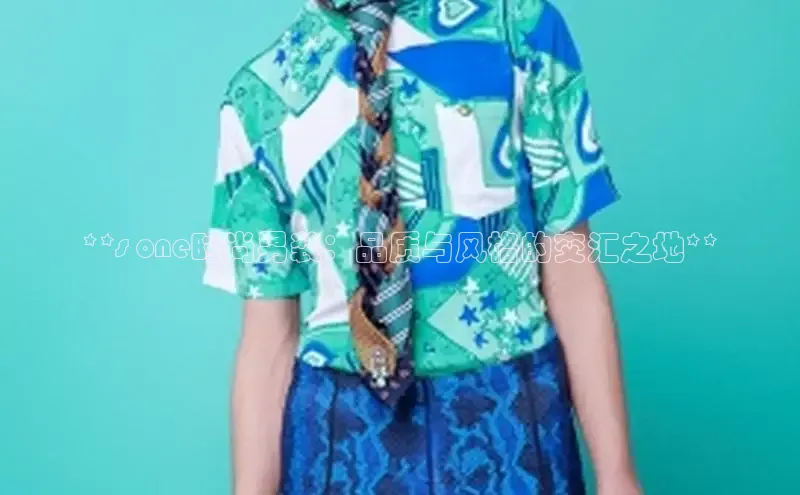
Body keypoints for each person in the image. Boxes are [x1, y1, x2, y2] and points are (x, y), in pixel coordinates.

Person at [203, 0, 642, 493]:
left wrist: (617, 474)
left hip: (513, 415)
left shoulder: (518, 27)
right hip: (338, 435)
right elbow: (267, 335)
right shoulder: (258, 95)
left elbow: (571, 268)